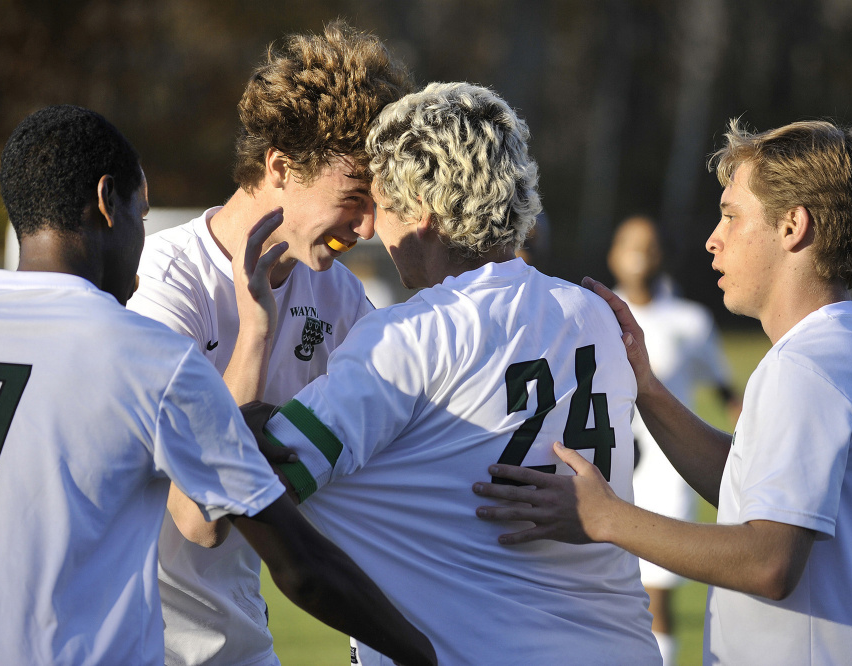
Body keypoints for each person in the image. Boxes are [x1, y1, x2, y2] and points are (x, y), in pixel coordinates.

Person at [0, 105, 435, 665]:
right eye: (144, 212)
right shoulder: (142, 351)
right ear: (109, 203)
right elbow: (284, 560)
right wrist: (425, 654)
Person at [473, 119, 852, 665]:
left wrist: (604, 517)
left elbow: (769, 561)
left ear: (793, 226)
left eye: (731, 215)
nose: (712, 238)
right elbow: (760, 490)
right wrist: (645, 387)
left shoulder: (807, 368)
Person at [247, 82, 661, 665]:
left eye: (382, 202)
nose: (368, 229)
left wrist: (251, 384)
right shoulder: (593, 311)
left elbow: (262, 477)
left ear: (423, 213)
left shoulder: (410, 336)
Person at [126, 21, 411, 665]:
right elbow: (198, 518)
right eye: (353, 197)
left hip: (240, 645)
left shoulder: (338, 298)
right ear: (280, 166)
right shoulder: (163, 283)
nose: (366, 226)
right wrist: (253, 333)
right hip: (143, 650)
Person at [606, 213, 740, 664]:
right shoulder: (594, 314)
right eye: (629, 242)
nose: (639, 253)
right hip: (612, 466)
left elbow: (727, 392)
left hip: (670, 471)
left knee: (656, 596)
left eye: (648, 244)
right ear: (612, 253)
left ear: (662, 254)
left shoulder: (689, 320)